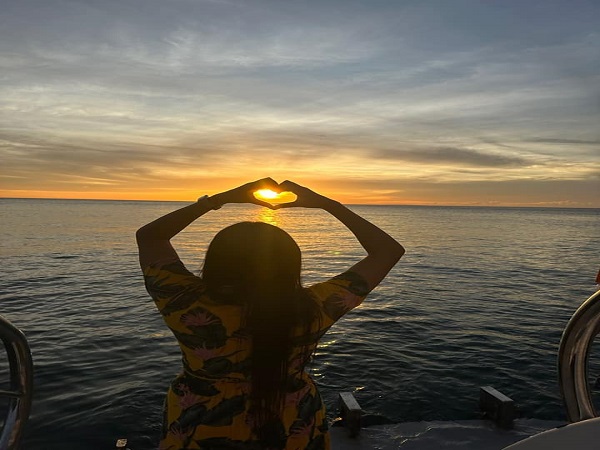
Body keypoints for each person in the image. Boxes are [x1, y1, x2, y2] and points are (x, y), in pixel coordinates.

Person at [136, 178, 404, 450]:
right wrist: (327, 205)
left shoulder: (183, 300)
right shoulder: (315, 306)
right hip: (291, 416)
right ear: (290, 265)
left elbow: (150, 236)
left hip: (200, 417)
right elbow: (388, 251)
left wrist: (221, 198)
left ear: (216, 260)